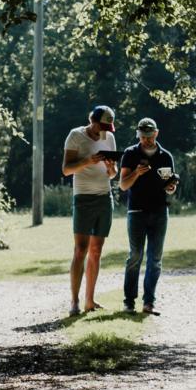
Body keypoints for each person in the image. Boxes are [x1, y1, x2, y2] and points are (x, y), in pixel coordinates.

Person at [62, 103, 119, 316]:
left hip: (104, 197)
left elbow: (113, 174)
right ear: (92, 121)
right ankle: (74, 301)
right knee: (81, 250)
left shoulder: (109, 138)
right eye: (101, 127)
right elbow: (66, 169)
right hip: (83, 198)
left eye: (107, 128)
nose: (103, 132)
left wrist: (111, 169)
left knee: (96, 250)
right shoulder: (76, 136)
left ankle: (89, 301)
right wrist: (88, 161)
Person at [118, 116, 175, 314]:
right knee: (135, 256)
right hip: (136, 211)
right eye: (143, 137)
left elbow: (169, 186)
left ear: (156, 133)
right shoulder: (130, 154)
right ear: (138, 135)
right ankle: (129, 302)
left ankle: (149, 301)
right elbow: (123, 185)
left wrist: (171, 188)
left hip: (160, 211)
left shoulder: (166, 156)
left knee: (155, 259)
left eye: (150, 136)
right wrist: (136, 173)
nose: (147, 140)